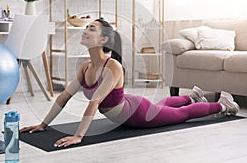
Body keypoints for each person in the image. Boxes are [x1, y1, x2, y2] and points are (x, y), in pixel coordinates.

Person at [20, 18, 240, 148]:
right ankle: (192, 96)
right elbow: (64, 96)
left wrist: (79, 136)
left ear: (104, 40)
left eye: (91, 29)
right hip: (130, 107)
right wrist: (43, 124)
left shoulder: (112, 66)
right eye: (86, 27)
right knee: (163, 105)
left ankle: (224, 105)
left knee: (181, 115)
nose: (85, 31)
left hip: (139, 115)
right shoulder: (85, 66)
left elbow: (94, 102)